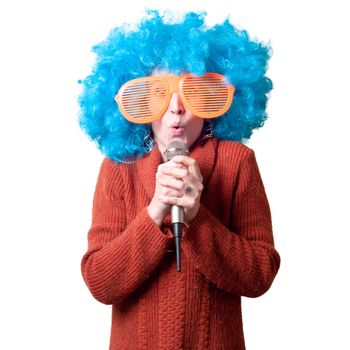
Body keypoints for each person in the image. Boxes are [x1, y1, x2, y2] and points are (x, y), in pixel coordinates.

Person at [78, 10, 281, 350]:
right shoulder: (118, 168)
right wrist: (156, 210)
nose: (176, 108)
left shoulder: (237, 163)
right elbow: (100, 282)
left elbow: (260, 274)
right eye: (157, 93)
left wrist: (197, 219)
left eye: (194, 92)